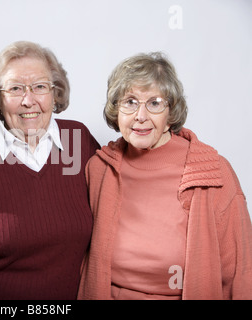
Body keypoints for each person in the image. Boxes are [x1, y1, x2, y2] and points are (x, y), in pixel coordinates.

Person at [78, 52, 252, 300]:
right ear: (116, 110)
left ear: (171, 112)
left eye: (155, 103)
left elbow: (241, 273)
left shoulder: (212, 172)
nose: (141, 116)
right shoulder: (99, 169)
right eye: (129, 102)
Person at [0, 41, 100, 300]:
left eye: (39, 87)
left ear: (55, 93)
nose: (29, 100)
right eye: (15, 88)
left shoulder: (78, 140)